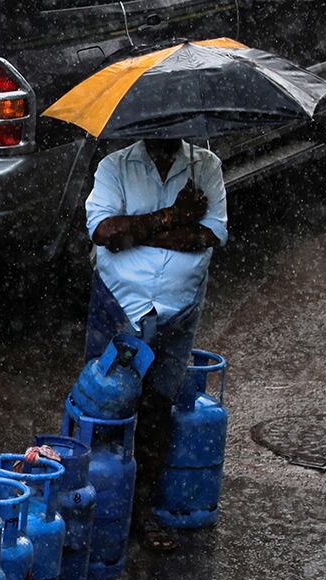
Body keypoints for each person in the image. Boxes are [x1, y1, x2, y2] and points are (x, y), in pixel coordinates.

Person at [85, 136, 228, 552]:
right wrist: (172, 217)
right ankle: (103, 508)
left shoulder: (206, 167)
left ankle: (141, 510)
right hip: (120, 304)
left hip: (179, 309)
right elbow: (105, 231)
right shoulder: (114, 167)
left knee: (157, 407)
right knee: (108, 406)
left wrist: (139, 231)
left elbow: (209, 235)